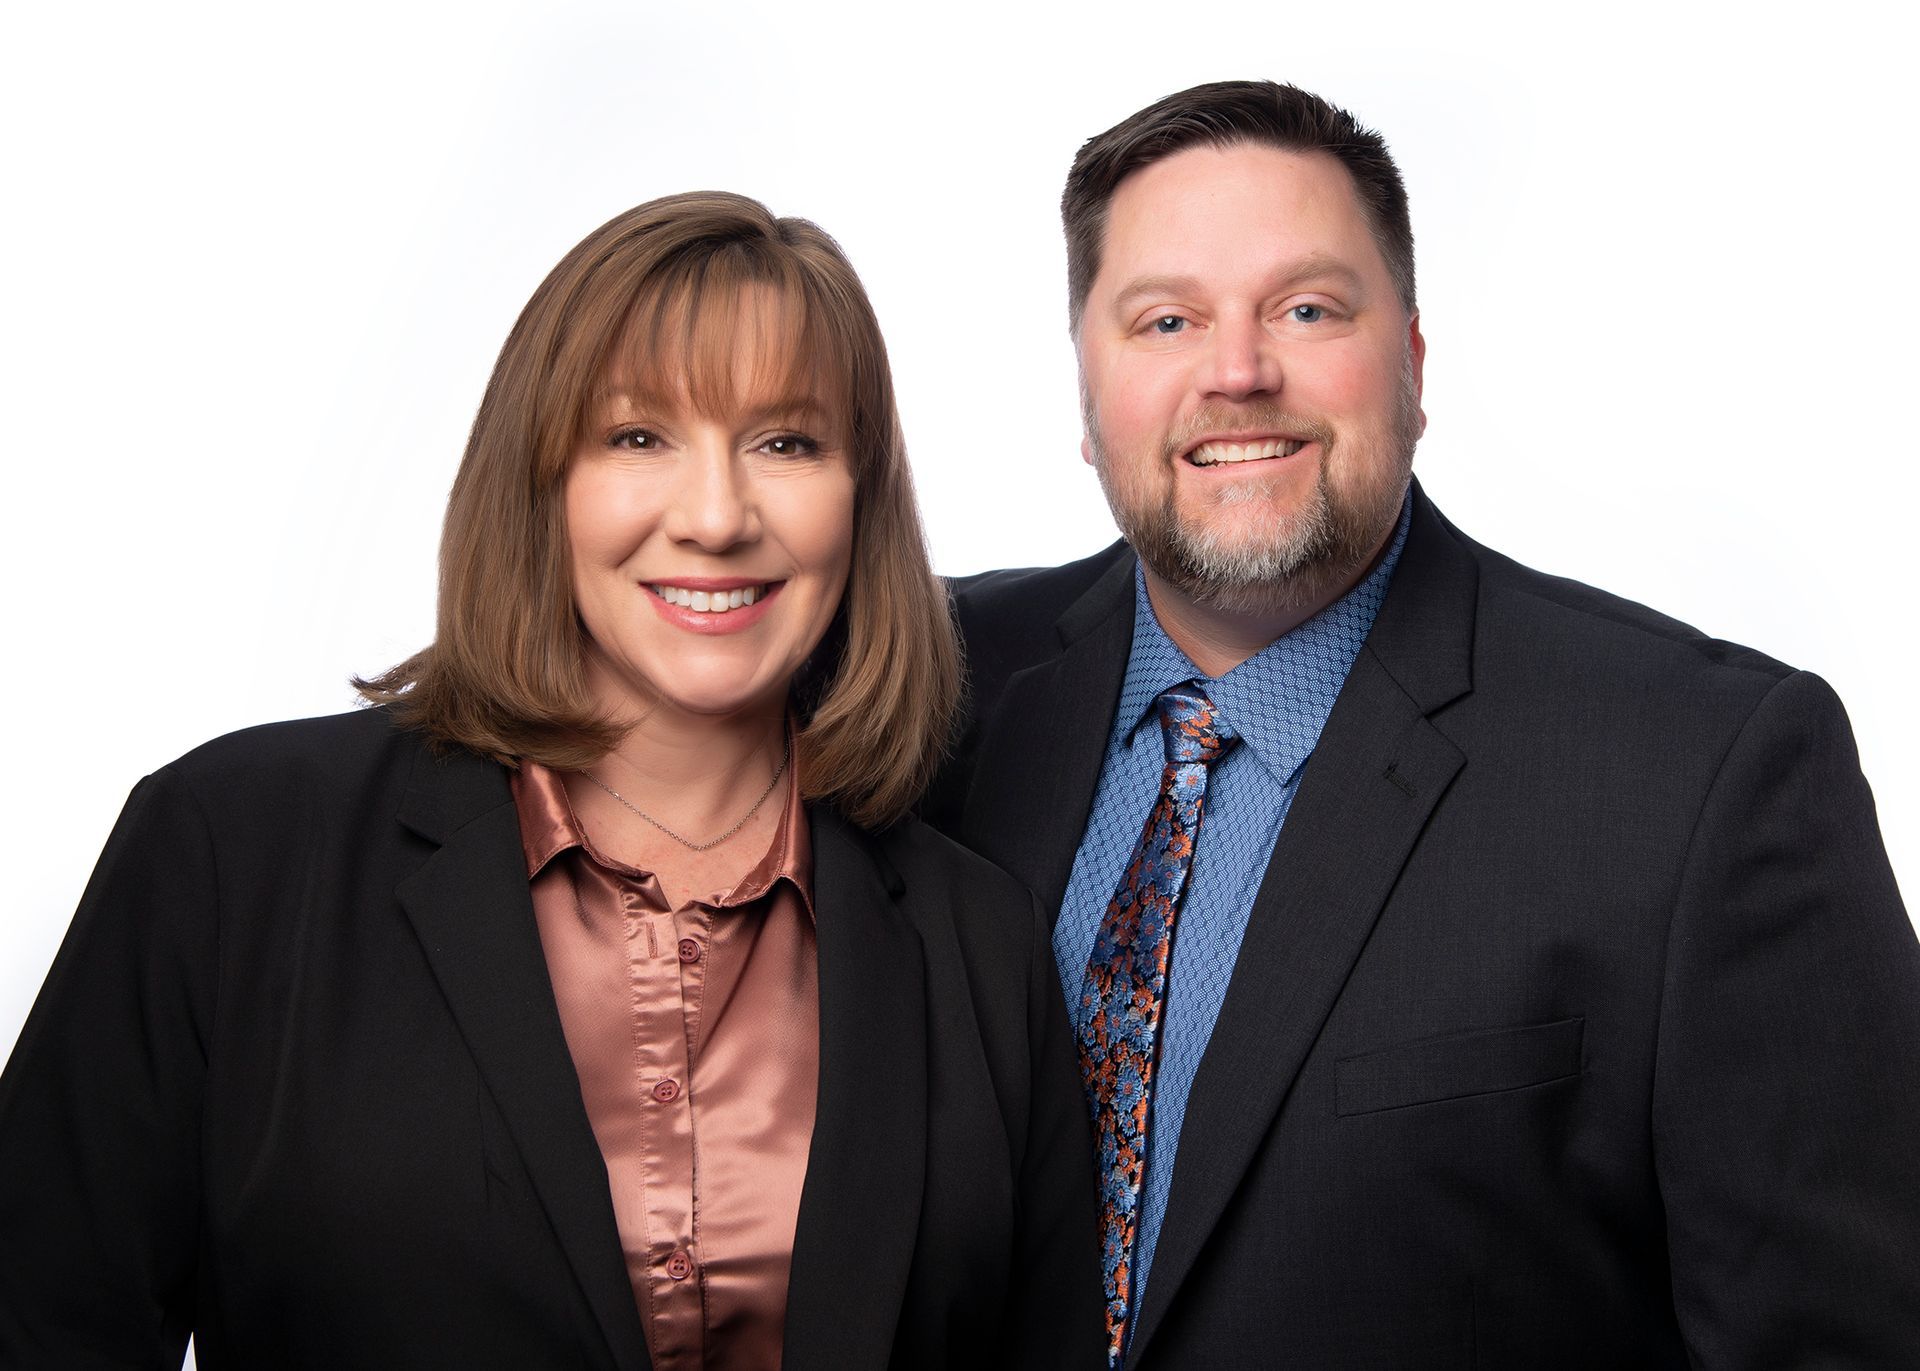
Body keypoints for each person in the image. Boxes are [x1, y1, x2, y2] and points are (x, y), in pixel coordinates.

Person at [0, 192, 1102, 1370]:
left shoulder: (974, 942)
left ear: (861, 498)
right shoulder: (234, 853)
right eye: (639, 439)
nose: (718, 516)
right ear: (542, 481)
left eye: (787, 442)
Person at [921, 81, 1920, 1368]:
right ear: (1086, 389)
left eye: (1307, 308)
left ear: (1413, 363)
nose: (1237, 371)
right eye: (1166, 319)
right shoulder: (927, 699)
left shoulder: (1701, 772)